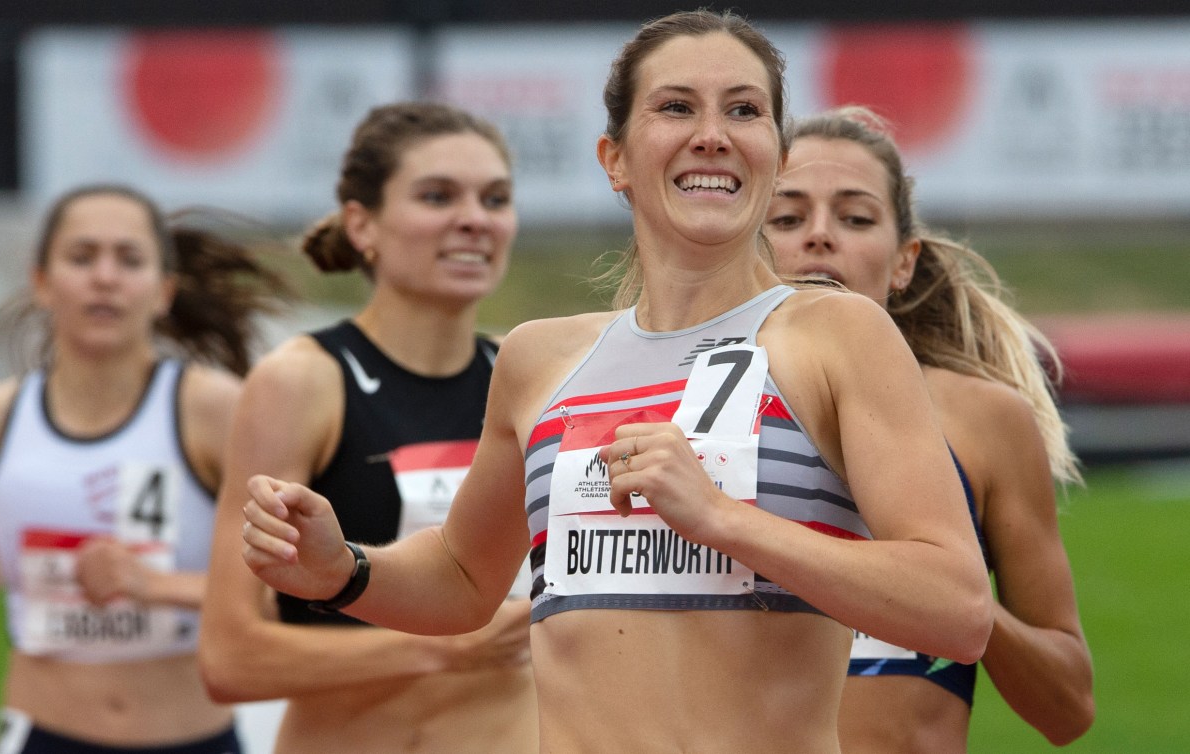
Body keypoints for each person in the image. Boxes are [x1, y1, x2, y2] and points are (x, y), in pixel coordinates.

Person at [239, 11, 994, 751]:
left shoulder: (837, 334)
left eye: (743, 109)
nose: (712, 134)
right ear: (615, 159)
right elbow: (465, 575)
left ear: (773, 153)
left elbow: (955, 610)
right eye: (675, 108)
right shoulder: (539, 359)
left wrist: (725, 521)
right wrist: (344, 568)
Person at [198, 101, 537, 753]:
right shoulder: (305, 381)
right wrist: (441, 646)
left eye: (494, 199)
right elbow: (231, 657)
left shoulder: (530, 378)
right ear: (363, 224)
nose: (473, 219)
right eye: (437, 196)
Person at [764, 106, 1095, 750]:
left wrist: (939, 591)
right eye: (786, 217)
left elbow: (1068, 706)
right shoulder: (675, 404)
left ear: (903, 261)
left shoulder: (985, 420)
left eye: (856, 218)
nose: (820, 236)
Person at [0, 184, 293, 753]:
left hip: (191, 736)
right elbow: (4, 508)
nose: (105, 277)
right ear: (42, 282)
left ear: (163, 291)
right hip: (39, 732)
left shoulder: (215, 411)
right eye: (82, 257)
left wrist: (153, 586)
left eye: (129, 260)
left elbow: (287, 588)